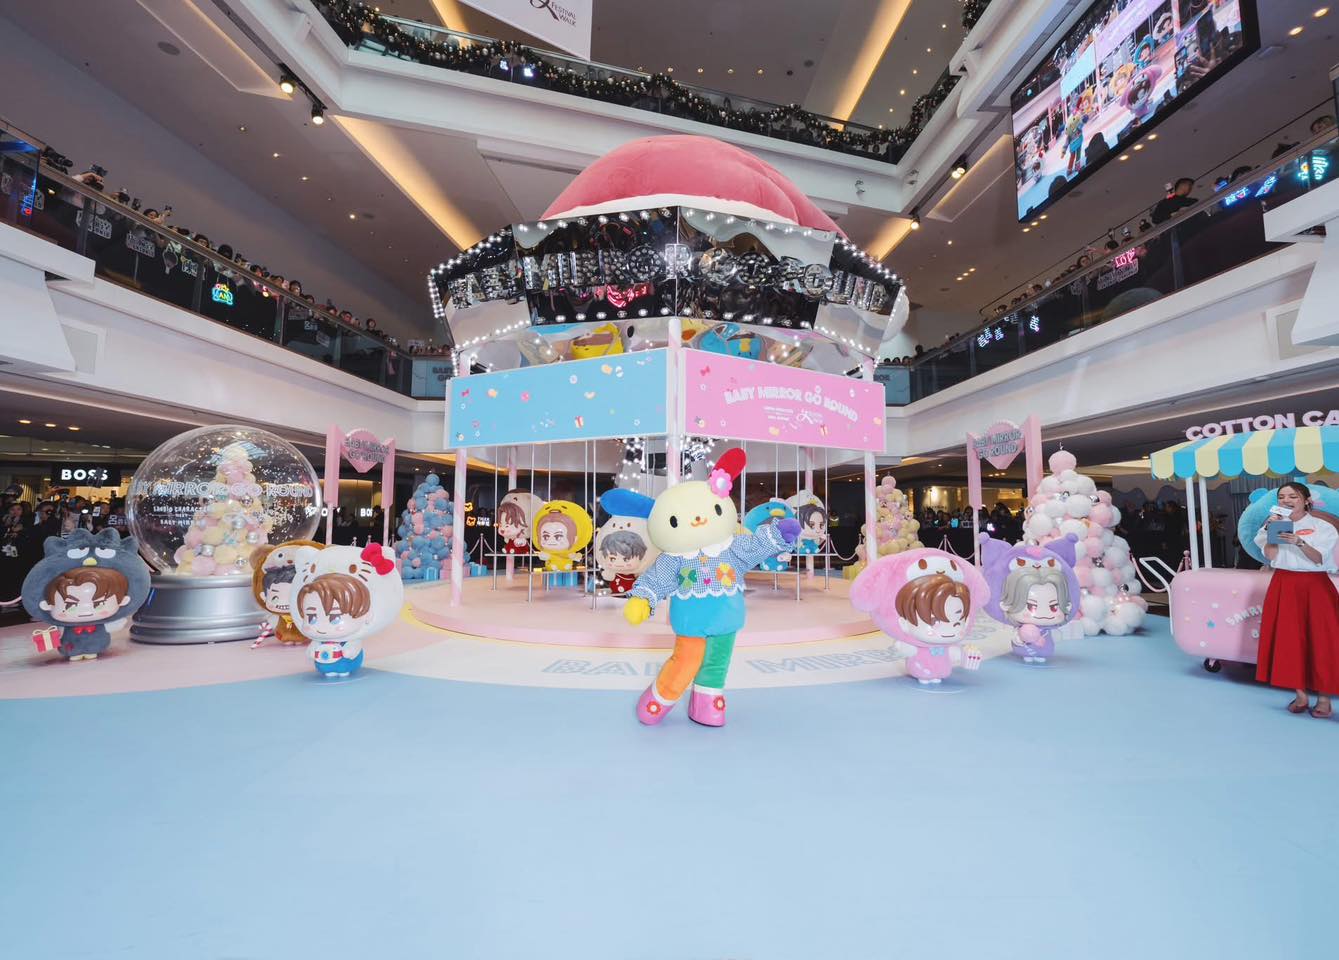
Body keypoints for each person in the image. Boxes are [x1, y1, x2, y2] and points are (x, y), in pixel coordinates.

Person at [1253, 482, 1338, 718]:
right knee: (1289, 640)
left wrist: (1299, 541)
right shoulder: (1272, 525)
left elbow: (1319, 558)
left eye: (1293, 496)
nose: (1286, 501)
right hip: (1284, 584)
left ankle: (1324, 698)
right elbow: (1271, 556)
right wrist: (1272, 531)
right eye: (1282, 497)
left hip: (1316, 585)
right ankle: (1301, 694)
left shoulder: (1322, 527)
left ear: (1306, 500)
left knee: (1322, 641)